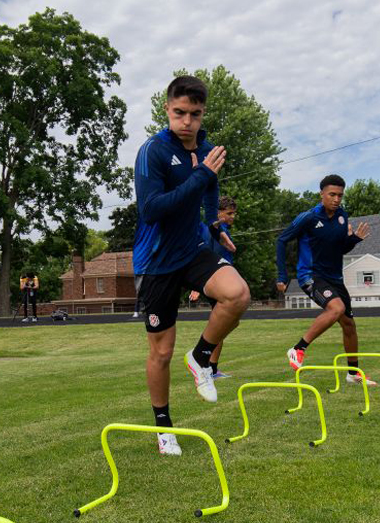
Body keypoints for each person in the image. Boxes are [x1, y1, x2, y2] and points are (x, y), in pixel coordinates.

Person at [133, 75, 250, 455]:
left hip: (192, 248)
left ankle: (200, 357)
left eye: (194, 114)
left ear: (202, 114)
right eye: (179, 113)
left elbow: (209, 199)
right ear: (167, 109)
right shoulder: (152, 151)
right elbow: (151, 210)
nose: (187, 121)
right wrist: (201, 174)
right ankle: (163, 427)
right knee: (161, 353)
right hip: (156, 260)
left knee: (237, 294)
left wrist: (216, 233)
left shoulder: (209, 148)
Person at [275, 174, 375, 385]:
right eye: (332, 194)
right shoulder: (309, 218)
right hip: (310, 275)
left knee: (349, 325)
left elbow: (340, 248)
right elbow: (282, 240)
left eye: (340, 195)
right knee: (336, 309)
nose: (336, 199)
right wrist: (282, 275)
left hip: (335, 278)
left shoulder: (342, 217)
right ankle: (298, 348)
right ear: (322, 194)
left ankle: (353, 374)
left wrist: (354, 239)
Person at [188, 195, 238, 378]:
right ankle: (203, 358)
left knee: (227, 322)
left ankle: (212, 368)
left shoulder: (223, 229)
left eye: (234, 213)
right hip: (217, 282)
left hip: (225, 280)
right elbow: (204, 257)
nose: (233, 217)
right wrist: (197, 286)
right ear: (218, 213)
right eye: (229, 213)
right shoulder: (212, 229)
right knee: (223, 322)